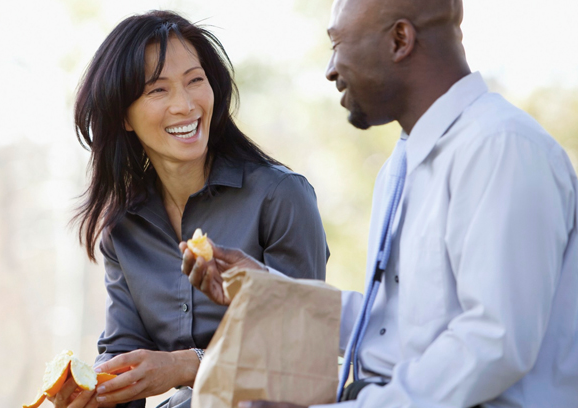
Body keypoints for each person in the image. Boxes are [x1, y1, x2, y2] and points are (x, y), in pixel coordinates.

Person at [181, 0, 578, 407]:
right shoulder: (400, 166)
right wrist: (266, 289)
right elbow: (395, 327)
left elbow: (493, 344)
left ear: (400, 40)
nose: (330, 69)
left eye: (338, 44)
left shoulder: (500, 147)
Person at [58, 10, 329, 408]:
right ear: (124, 117)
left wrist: (188, 365)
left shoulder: (280, 196)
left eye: (195, 81)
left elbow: (306, 353)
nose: (185, 105)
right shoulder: (123, 229)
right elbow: (123, 353)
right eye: (158, 90)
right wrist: (94, 391)